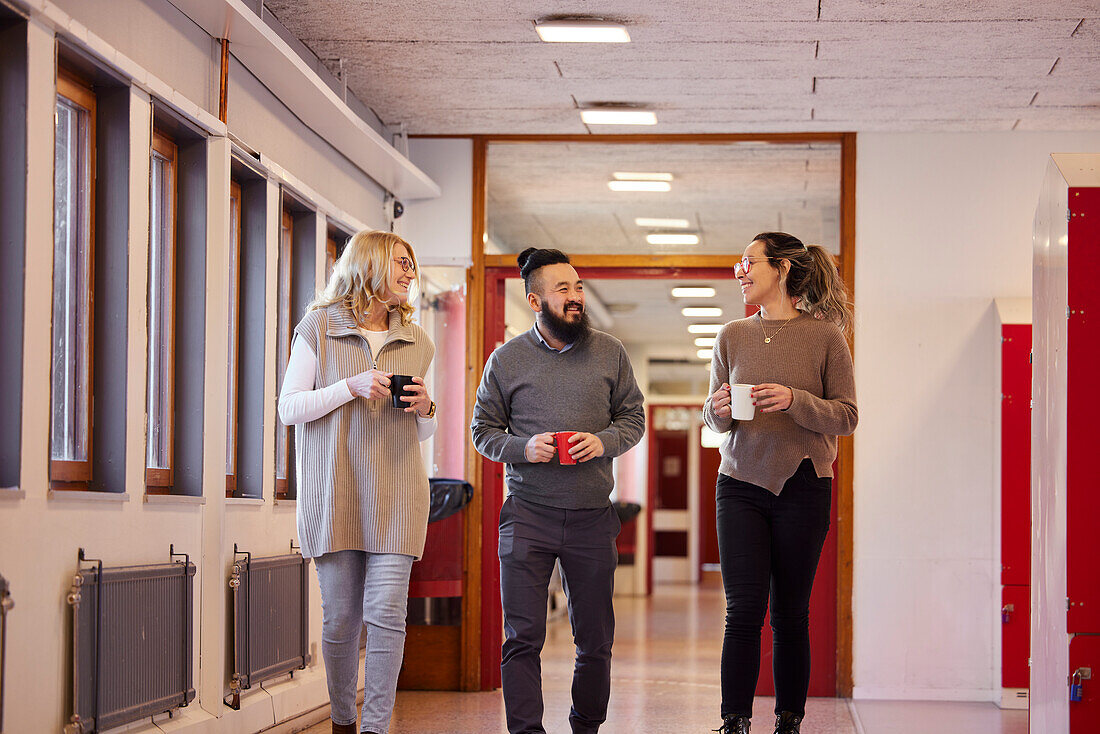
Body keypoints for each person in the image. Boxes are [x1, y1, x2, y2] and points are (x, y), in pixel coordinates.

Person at [470, 248, 645, 734]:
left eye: (579, 288)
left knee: (595, 640)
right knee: (522, 638)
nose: (575, 298)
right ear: (535, 299)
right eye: (563, 289)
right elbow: (482, 431)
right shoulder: (505, 360)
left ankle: (585, 726)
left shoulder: (610, 352)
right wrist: (525, 448)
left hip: (592, 516)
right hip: (527, 514)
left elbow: (634, 418)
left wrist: (603, 442)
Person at [278, 230, 437, 734]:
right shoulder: (320, 327)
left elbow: (426, 430)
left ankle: (374, 728)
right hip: (336, 494)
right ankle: (343, 722)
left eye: (412, 266)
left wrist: (426, 407)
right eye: (401, 264)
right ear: (369, 264)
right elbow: (289, 408)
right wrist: (348, 387)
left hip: (396, 496)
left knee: (387, 615)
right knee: (341, 621)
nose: (410, 275)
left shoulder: (417, 340)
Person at [704, 232, 857, 734]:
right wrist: (718, 410)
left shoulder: (826, 336)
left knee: (790, 613)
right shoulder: (731, 335)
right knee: (742, 610)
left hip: (804, 484)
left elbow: (847, 416)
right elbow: (715, 417)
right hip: (740, 484)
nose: (740, 271)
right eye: (738, 263)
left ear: (783, 268)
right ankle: (735, 721)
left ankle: (789, 721)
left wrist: (795, 400)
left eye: (748, 262)